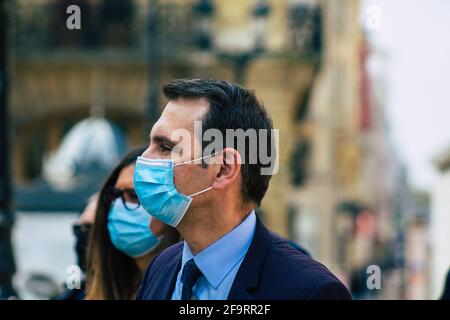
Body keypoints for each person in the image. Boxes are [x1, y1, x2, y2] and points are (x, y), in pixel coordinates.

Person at [135, 79, 351, 300]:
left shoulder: (311, 292)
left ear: (224, 169)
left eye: (165, 147)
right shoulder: (161, 269)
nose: (143, 158)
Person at [85, 147, 179, 300]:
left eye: (134, 196)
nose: (118, 206)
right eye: (113, 195)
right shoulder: (105, 287)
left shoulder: (189, 289)